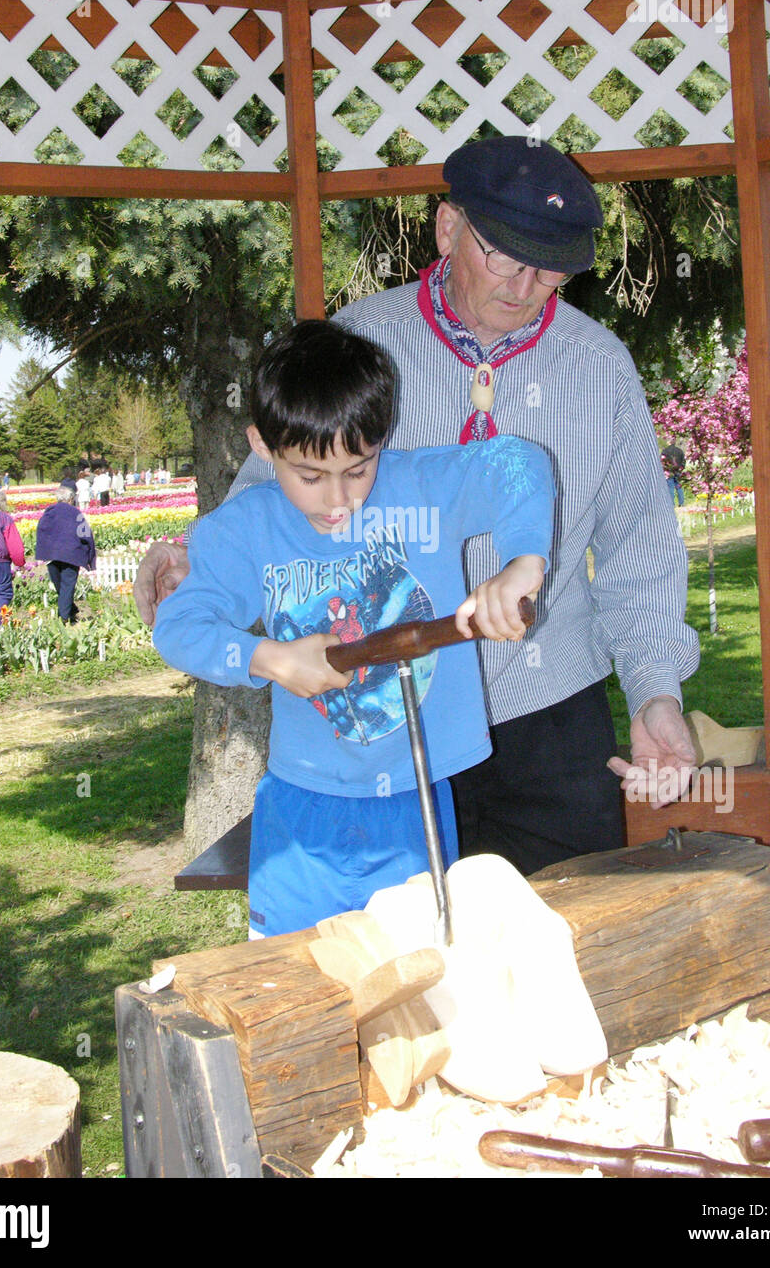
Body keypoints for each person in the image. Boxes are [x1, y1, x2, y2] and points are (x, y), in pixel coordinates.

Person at [137, 137, 699, 875]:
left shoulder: (599, 369)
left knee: (563, 944)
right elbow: (274, 491)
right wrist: (194, 559)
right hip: (393, 725)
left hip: (553, 716)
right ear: (447, 229)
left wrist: (655, 692)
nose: (526, 286)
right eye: (505, 256)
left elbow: (639, 547)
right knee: (405, 962)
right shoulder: (364, 342)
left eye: (550, 267)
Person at [152, 321, 552, 937]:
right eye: (310, 476)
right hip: (300, 812)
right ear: (263, 444)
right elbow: (179, 626)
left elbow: (517, 461)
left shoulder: (424, 488)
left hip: (416, 803)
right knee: (295, 989)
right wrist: (270, 658)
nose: (339, 497)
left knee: (420, 989)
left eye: (359, 469)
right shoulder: (244, 528)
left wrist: (523, 563)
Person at [34, 486, 97, 623]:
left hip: (52, 554)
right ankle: (65, 617)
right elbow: (86, 534)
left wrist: (43, 550)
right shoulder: (75, 513)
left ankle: (66, 614)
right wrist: (90, 555)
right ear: (70, 499)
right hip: (72, 554)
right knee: (67, 586)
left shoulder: (49, 513)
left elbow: (41, 531)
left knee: (61, 586)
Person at [662, 439, 687, 507]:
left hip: (669, 472)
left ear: (669, 442)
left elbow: (662, 461)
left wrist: (665, 469)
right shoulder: (679, 451)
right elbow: (683, 461)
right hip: (678, 471)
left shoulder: (665, 451)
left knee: (670, 488)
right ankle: (681, 503)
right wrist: (681, 469)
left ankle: (671, 504)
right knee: (679, 487)